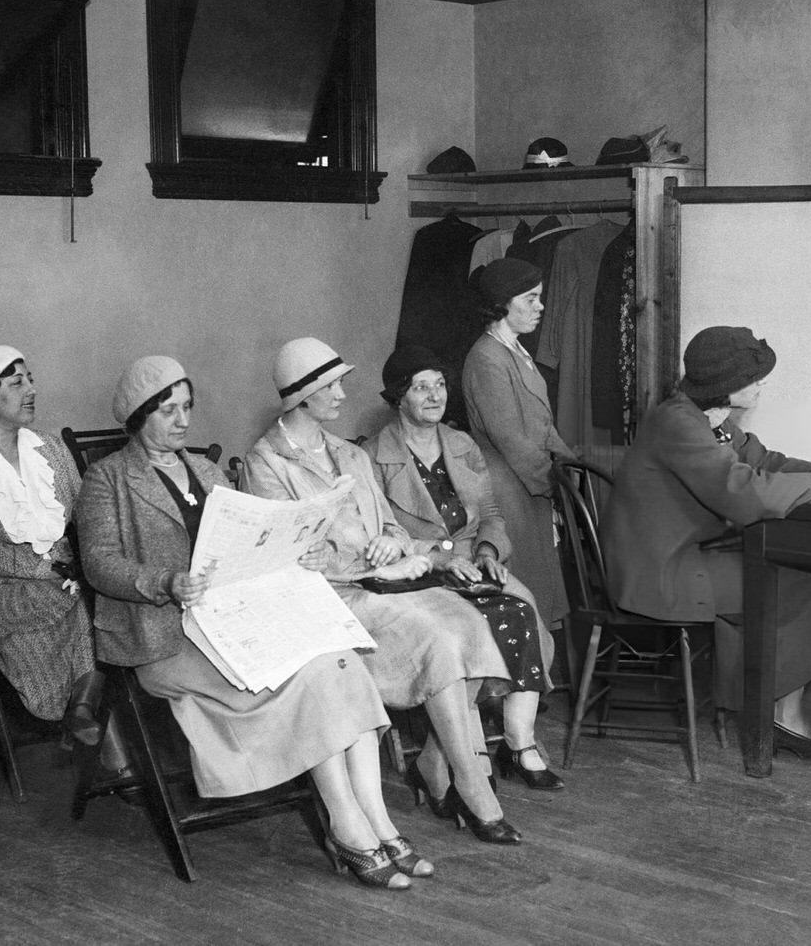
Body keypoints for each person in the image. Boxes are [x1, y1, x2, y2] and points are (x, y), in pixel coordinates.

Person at [76, 356, 426, 890]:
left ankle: (378, 821)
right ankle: (346, 824)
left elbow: (250, 544)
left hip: (231, 623)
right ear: (137, 416)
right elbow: (99, 564)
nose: (183, 420)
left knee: (341, 661)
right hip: (163, 639)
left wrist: (299, 552)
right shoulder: (107, 479)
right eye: (168, 411)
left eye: (187, 407)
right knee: (314, 675)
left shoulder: (206, 471)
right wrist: (164, 582)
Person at [244, 338, 524, 845]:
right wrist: (364, 564)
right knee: (436, 637)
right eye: (332, 386)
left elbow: (392, 526)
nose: (342, 394)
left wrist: (390, 544)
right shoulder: (267, 462)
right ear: (302, 395)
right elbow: (284, 557)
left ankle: (437, 764)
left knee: (468, 622)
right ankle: (473, 785)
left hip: (386, 582)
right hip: (332, 597)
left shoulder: (350, 454)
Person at [600, 326, 811, 758]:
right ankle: (780, 716)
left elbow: (764, 461)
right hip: (660, 572)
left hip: (687, 556)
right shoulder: (678, 423)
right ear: (726, 384)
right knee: (806, 582)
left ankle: (776, 709)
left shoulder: (706, 418)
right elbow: (740, 490)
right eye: (754, 379)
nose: (762, 385)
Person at [364, 344, 562, 791]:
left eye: (440, 385)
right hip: (420, 571)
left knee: (523, 608)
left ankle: (520, 743)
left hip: (474, 561)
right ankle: (469, 751)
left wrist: (489, 551)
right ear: (398, 396)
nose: (435, 396)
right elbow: (382, 530)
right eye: (421, 388)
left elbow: (490, 512)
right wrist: (440, 558)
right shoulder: (374, 456)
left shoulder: (462, 444)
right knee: (469, 628)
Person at [0, 345, 102, 746]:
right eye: (17, 383)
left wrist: (85, 559)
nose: (31, 390)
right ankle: (86, 710)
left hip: (66, 574)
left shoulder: (51, 449)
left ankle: (86, 714)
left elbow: (85, 514)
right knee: (84, 606)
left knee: (96, 600)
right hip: (3, 589)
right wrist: (46, 570)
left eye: (31, 380)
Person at [461, 258, 578, 631]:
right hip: (509, 487)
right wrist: (555, 484)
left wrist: (571, 465)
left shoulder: (513, 351)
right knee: (525, 590)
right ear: (502, 304)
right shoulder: (486, 358)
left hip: (529, 482)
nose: (540, 307)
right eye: (530, 298)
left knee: (542, 586)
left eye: (539, 297)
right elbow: (510, 438)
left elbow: (543, 423)